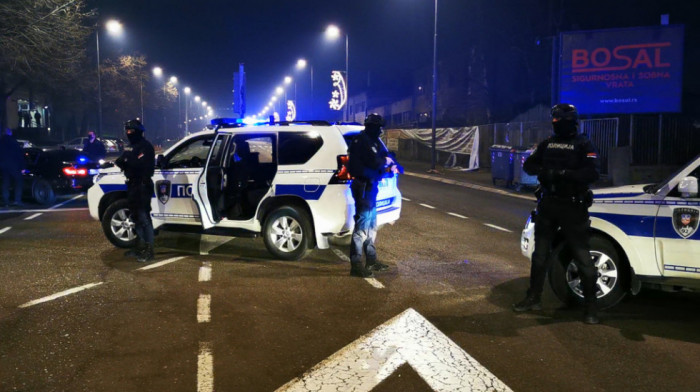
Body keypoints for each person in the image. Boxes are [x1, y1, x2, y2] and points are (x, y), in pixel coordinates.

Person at [513, 103, 600, 324]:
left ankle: (591, 307)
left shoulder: (583, 144)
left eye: (559, 120)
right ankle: (534, 297)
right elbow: (529, 166)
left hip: (573, 206)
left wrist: (562, 174)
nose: (557, 124)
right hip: (549, 204)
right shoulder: (547, 144)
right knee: (540, 255)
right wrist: (546, 172)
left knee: (582, 257)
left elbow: (591, 173)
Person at [346, 113, 400, 278]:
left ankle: (371, 260)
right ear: (372, 126)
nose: (380, 130)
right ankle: (356, 265)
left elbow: (387, 155)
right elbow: (370, 162)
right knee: (361, 228)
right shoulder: (361, 142)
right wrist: (384, 163)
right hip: (363, 187)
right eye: (378, 127)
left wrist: (389, 161)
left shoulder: (374, 141)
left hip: (371, 187)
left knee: (371, 226)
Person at [115, 119, 156, 262]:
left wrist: (127, 162)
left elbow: (138, 164)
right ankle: (140, 246)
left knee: (144, 217)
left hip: (142, 185)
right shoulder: (130, 146)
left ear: (138, 131)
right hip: (132, 184)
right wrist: (123, 162)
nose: (128, 133)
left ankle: (149, 250)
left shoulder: (145, 146)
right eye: (127, 130)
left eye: (131, 130)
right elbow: (122, 160)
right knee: (136, 218)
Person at [0, 128, 26, 208]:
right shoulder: (14, 142)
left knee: (5, 183)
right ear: (10, 133)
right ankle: (17, 200)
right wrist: (23, 167)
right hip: (14, 165)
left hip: (3, 165)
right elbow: (19, 155)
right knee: (18, 182)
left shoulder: (1, 142)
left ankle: (6, 201)